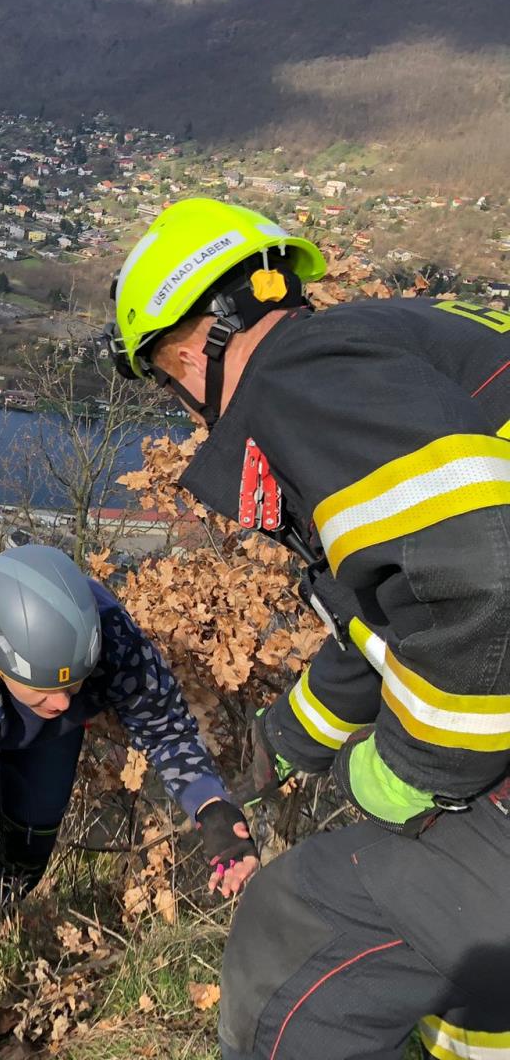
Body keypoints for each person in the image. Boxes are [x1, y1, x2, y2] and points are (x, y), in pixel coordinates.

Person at [105, 197, 510, 1060]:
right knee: (453, 977)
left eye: (162, 371)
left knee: (296, 929)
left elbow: (482, 579)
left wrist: (412, 771)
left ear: (196, 340)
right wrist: (282, 745)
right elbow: (393, 606)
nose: (180, 398)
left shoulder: (301, 376)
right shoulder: (394, 347)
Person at [0, 544, 259, 1050]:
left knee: (34, 833)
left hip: (42, 720)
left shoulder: (108, 636)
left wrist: (212, 807)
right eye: (47, 690)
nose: (65, 701)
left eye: (72, 685)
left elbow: (165, 727)